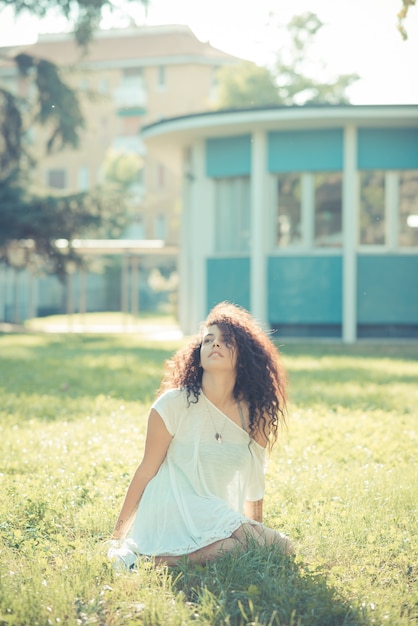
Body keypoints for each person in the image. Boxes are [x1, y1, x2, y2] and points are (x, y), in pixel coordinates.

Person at [108, 301, 293, 568]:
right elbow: (146, 471)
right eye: (208, 340)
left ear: (245, 356)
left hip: (212, 512)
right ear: (199, 353)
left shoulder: (256, 415)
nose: (215, 344)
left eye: (226, 340)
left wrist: (253, 529)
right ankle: (147, 559)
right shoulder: (173, 404)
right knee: (257, 545)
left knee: (280, 547)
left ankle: (154, 563)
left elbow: (255, 479)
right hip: (170, 506)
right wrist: (117, 536)